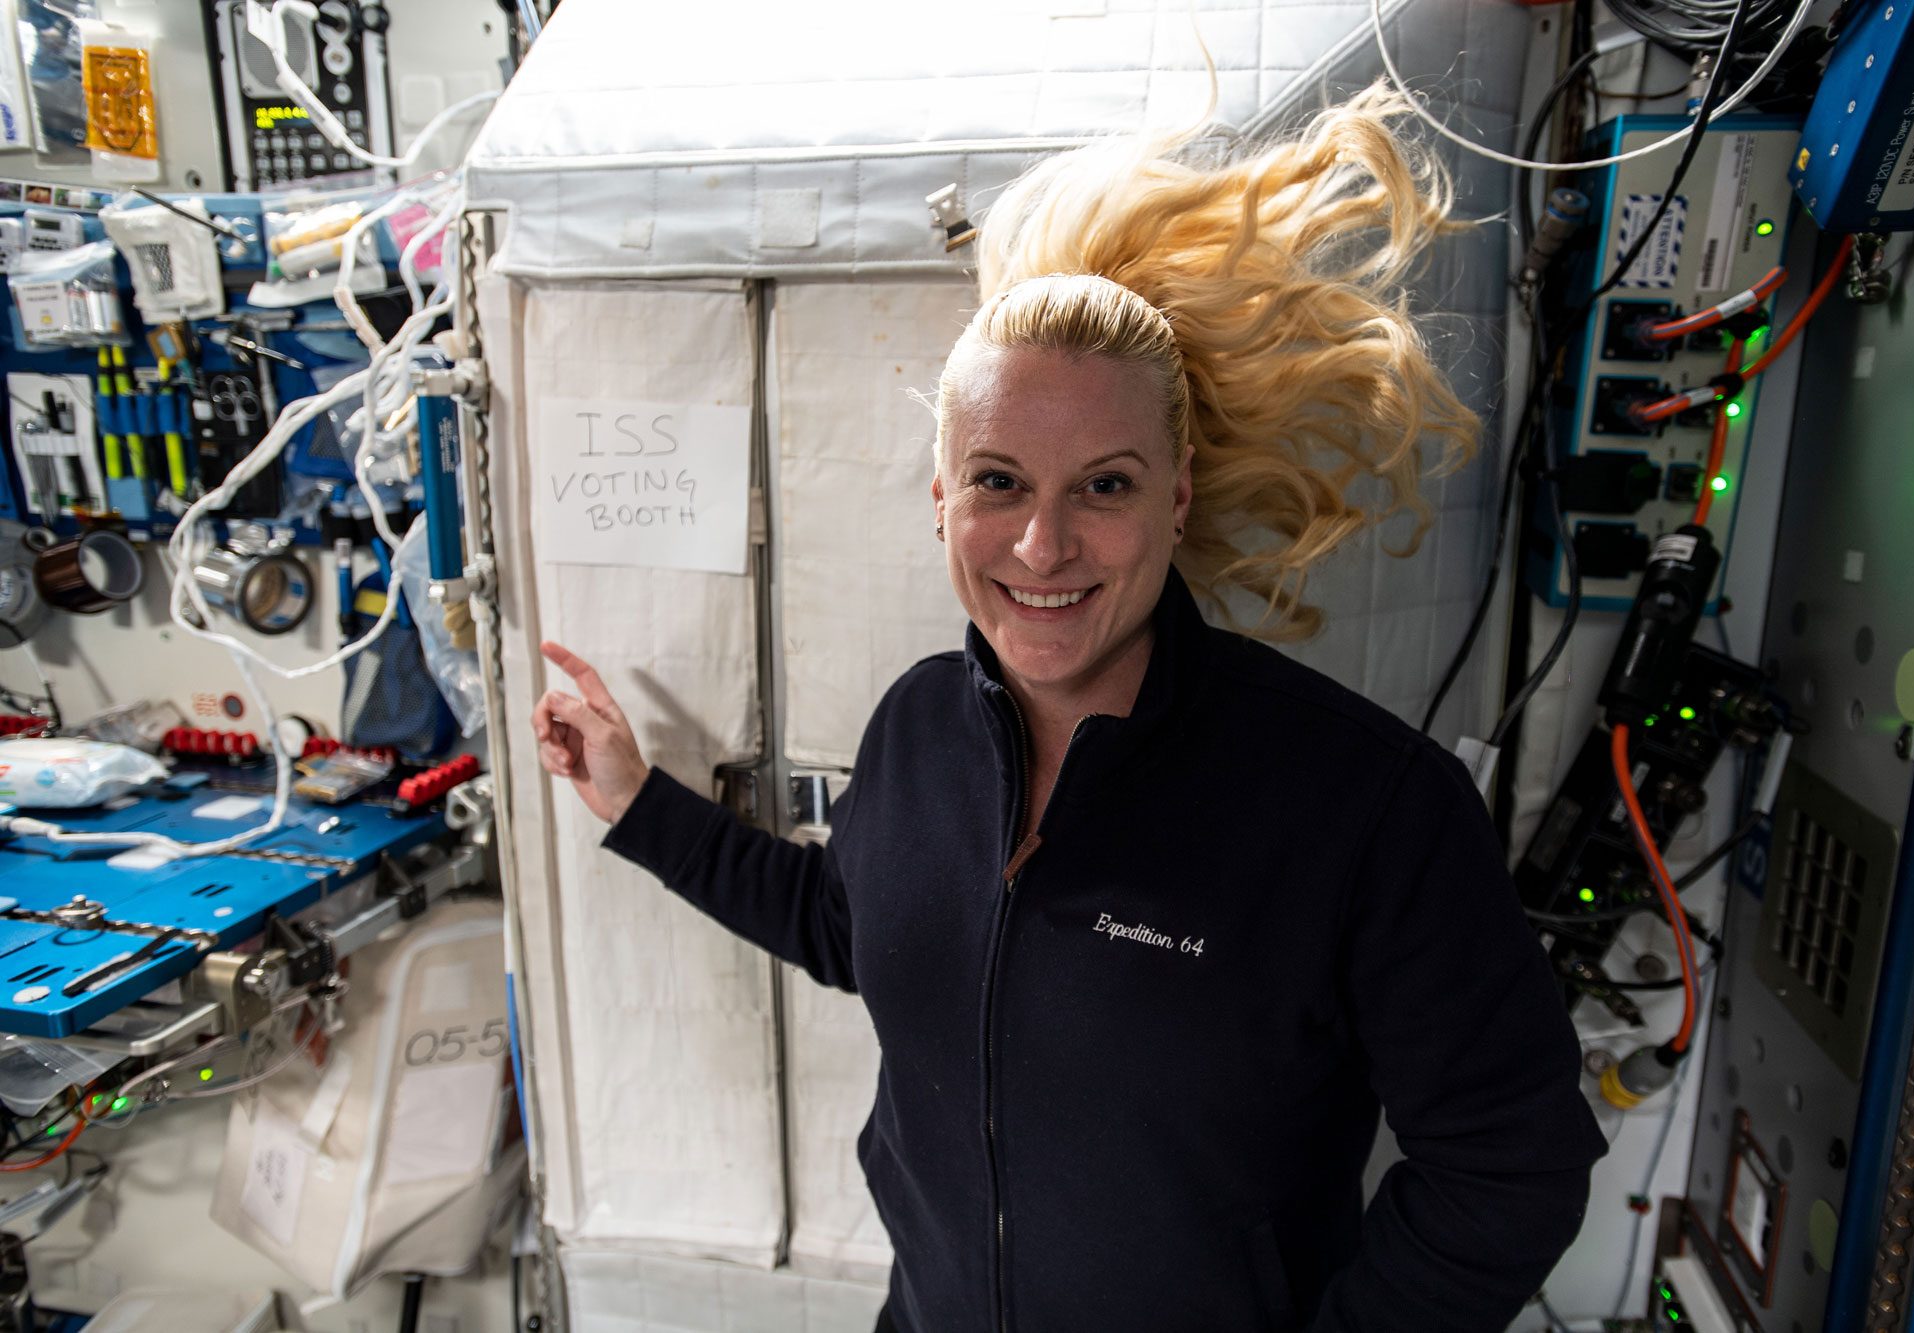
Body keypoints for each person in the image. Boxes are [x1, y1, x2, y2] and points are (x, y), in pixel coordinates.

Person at [534, 83, 1607, 1333]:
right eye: (999, 481)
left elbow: (1511, 1167)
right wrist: (636, 803)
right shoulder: (915, 728)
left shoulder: (1362, 809)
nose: (1043, 546)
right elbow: (850, 922)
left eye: (1103, 485)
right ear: (942, 498)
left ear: (1176, 498)